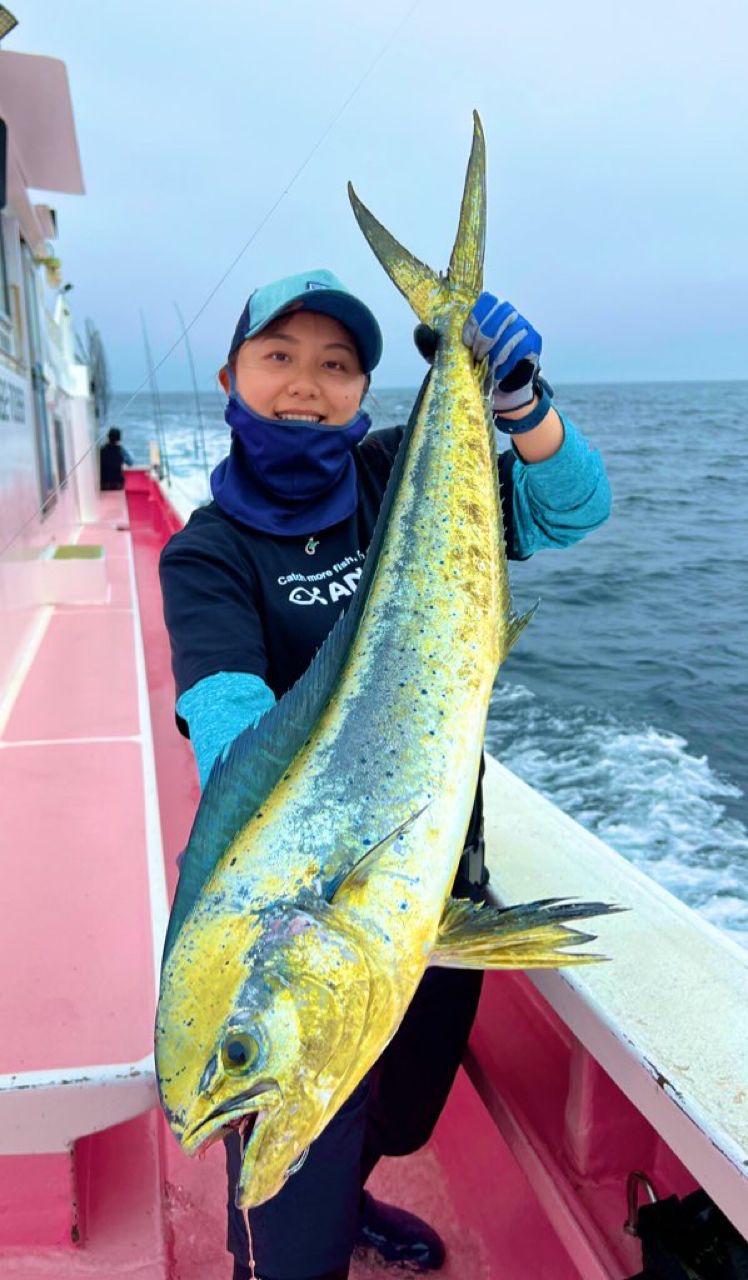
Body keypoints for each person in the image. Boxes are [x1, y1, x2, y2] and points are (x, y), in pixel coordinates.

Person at [159, 269, 611, 1280]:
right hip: (325, 903)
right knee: (291, 1232)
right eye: (279, 356)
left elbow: (572, 508)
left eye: (336, 364)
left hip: (438, 885)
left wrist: (517, 400)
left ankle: (354, 1192)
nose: (305, 382)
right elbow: (231, 741)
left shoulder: (399, 474)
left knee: (402, 1115)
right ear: (231, 376)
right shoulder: (207, 554)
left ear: (364, 387)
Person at [99, 426, 133, 490]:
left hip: (103, 483)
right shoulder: (121, 450)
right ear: (119, 439)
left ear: (108, 437)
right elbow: (130, 463)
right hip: (117, 483)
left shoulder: (101, 450)